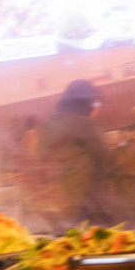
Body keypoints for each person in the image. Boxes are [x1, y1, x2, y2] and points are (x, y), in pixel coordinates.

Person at [36, 80, 112, 227]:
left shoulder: (49, 123)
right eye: (96, 103)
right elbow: (104, 157)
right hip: (85, 198)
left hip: (56, 195)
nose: (98, 108)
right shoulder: (84, 124)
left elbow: (41, 153)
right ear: (88, 103)